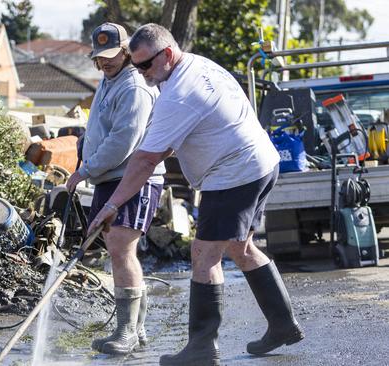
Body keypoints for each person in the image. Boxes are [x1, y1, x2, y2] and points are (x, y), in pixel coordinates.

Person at [88, 23, 305, 365]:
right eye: (136, 63)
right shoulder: (197, 65)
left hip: (234, 172)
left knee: (204, 255)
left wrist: (114, 204)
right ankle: (282, 324)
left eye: (144, 64)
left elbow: (145, 160)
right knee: (241, 246)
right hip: (260, 162)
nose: (139, 71)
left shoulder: (180, 94)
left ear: (168, 54)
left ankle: (202, 348)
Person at [65, 22, 166, 355]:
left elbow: (123, 141)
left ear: (126, 51)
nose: (105, 62)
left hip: (132, 176)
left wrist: (85, 170)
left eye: (111, 56)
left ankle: (127, 333)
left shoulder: (134, 87)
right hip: (111, 178)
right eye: (100, 57)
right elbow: (103, 129)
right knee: (119, 249)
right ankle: (137, 329)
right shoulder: (108, 81)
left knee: (121, 248)